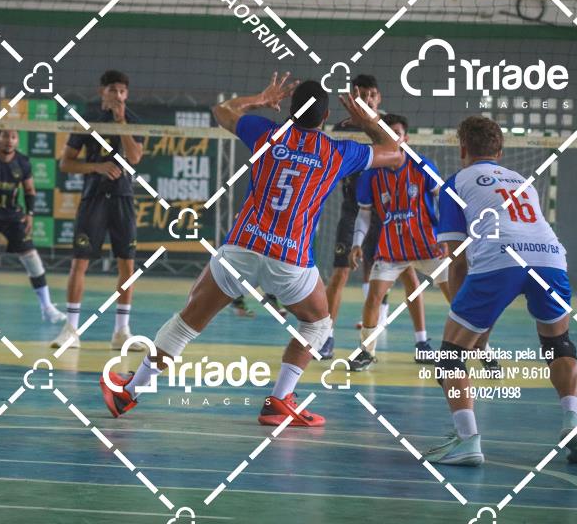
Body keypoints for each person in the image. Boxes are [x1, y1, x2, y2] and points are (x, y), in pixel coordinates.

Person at [100, 74, 402, 426]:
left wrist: (259, 98)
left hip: (243, 247)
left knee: (186, 324)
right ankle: (279, 401)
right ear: (325, 117)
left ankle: (129, 392)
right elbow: (394, 152)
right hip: (291, 260)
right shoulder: (338, 152)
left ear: (290, 110)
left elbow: (222, 110)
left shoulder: (266, 133)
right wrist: (369, 121)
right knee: (318, 325)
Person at [424, 115, 577, 466]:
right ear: (499, 151)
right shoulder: (522, 181)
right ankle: (573, 419)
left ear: (462, 148)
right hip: (551, 258)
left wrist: (469, 322)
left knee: (450, 357)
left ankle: (467, 440)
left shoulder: (456, 183)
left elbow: (457, 261)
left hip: (499, 258)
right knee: (558, 344)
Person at [320, 74, 421, 359]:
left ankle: (416, 338)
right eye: (361, 94)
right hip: (353, 207)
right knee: (340, 272)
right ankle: (326, 337)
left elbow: (401, 157)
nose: (367, 99)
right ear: (353, 96)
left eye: (371, 95)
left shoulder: (390, 125)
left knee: (399, 272)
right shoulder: (341, 128)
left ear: (379, 98)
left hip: (388, 211)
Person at [347, 114, 449, 371]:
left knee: (457, 297)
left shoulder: (422, 166)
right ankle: (366, 351)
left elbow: (444, 201)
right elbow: (364, 213)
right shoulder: (371, 174)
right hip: (392, 248)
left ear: (406, 139)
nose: (392, 138)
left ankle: (483, 350)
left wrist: (447, 236)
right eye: (387, 134)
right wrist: (357, 243)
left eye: (396, 133)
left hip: (428, 246)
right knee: (374, 297)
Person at [52, 70, 145, 349]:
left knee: (127, 264)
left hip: (122, 197)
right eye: (112, 89)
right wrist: (96, 167)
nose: (118, 95)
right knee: (80, 262)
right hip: (93, 197)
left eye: (122, 91)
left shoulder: (134, 121)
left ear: (127, 94)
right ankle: (71, 329)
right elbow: (65, 163)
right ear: (101, 91)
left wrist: (120, 122)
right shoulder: (86, 121)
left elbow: (135, 157)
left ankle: (121, 332)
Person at [0, 129, 65, 327]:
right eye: (5, 136)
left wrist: (30, 214)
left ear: (17, 141)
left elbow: (30, 190)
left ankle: (47, 307)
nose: (9, 140)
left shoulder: (22, 162)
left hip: (13, 217)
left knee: (33, 260)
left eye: (13, 137)